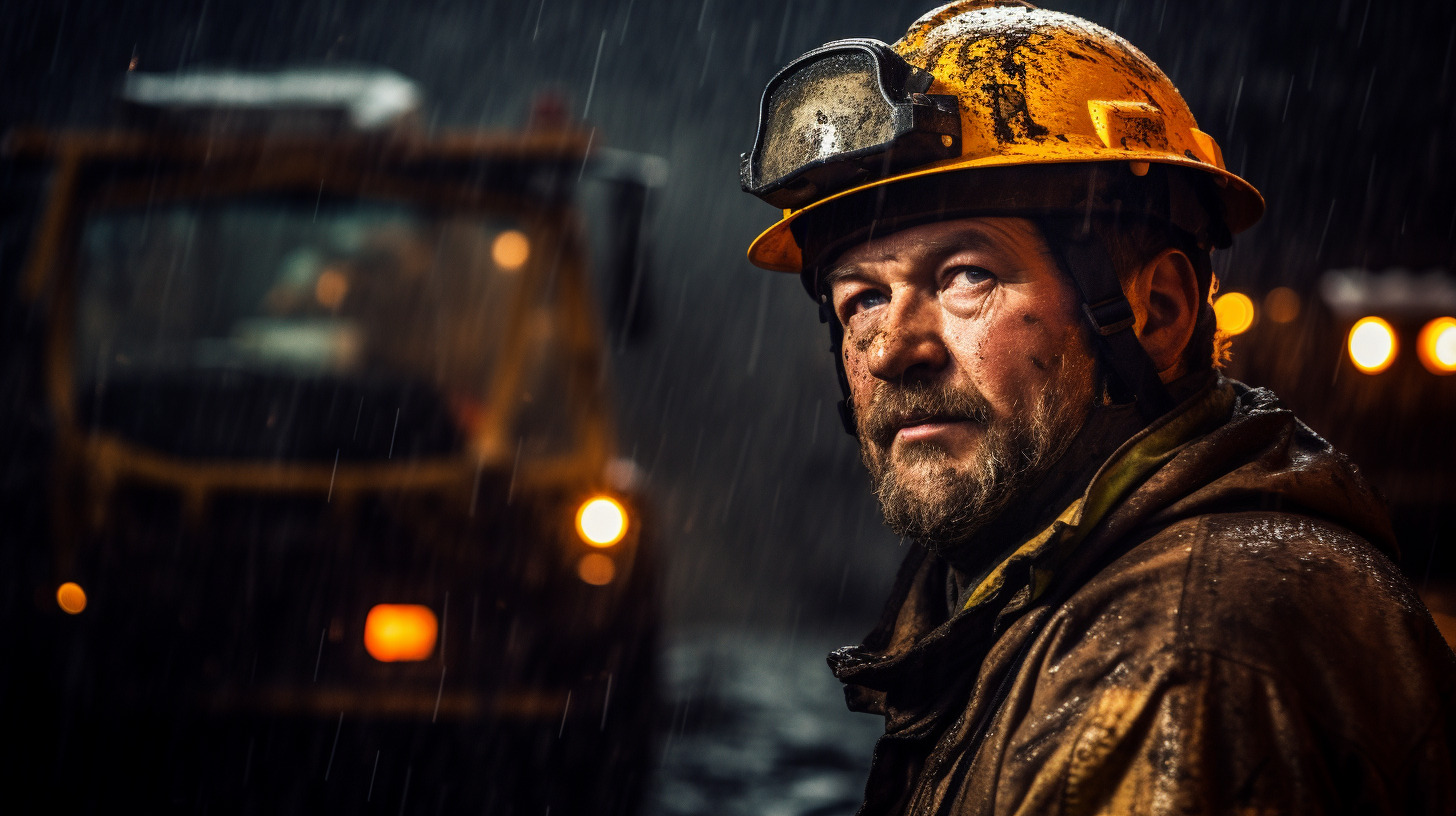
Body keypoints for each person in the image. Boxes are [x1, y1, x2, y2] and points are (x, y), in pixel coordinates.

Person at [739, 1, 1456, 813]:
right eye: (862, 297)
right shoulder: (1047, 604)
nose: (893, 349)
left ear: (1157, 313)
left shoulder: (1174, 666)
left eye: (966, 275)